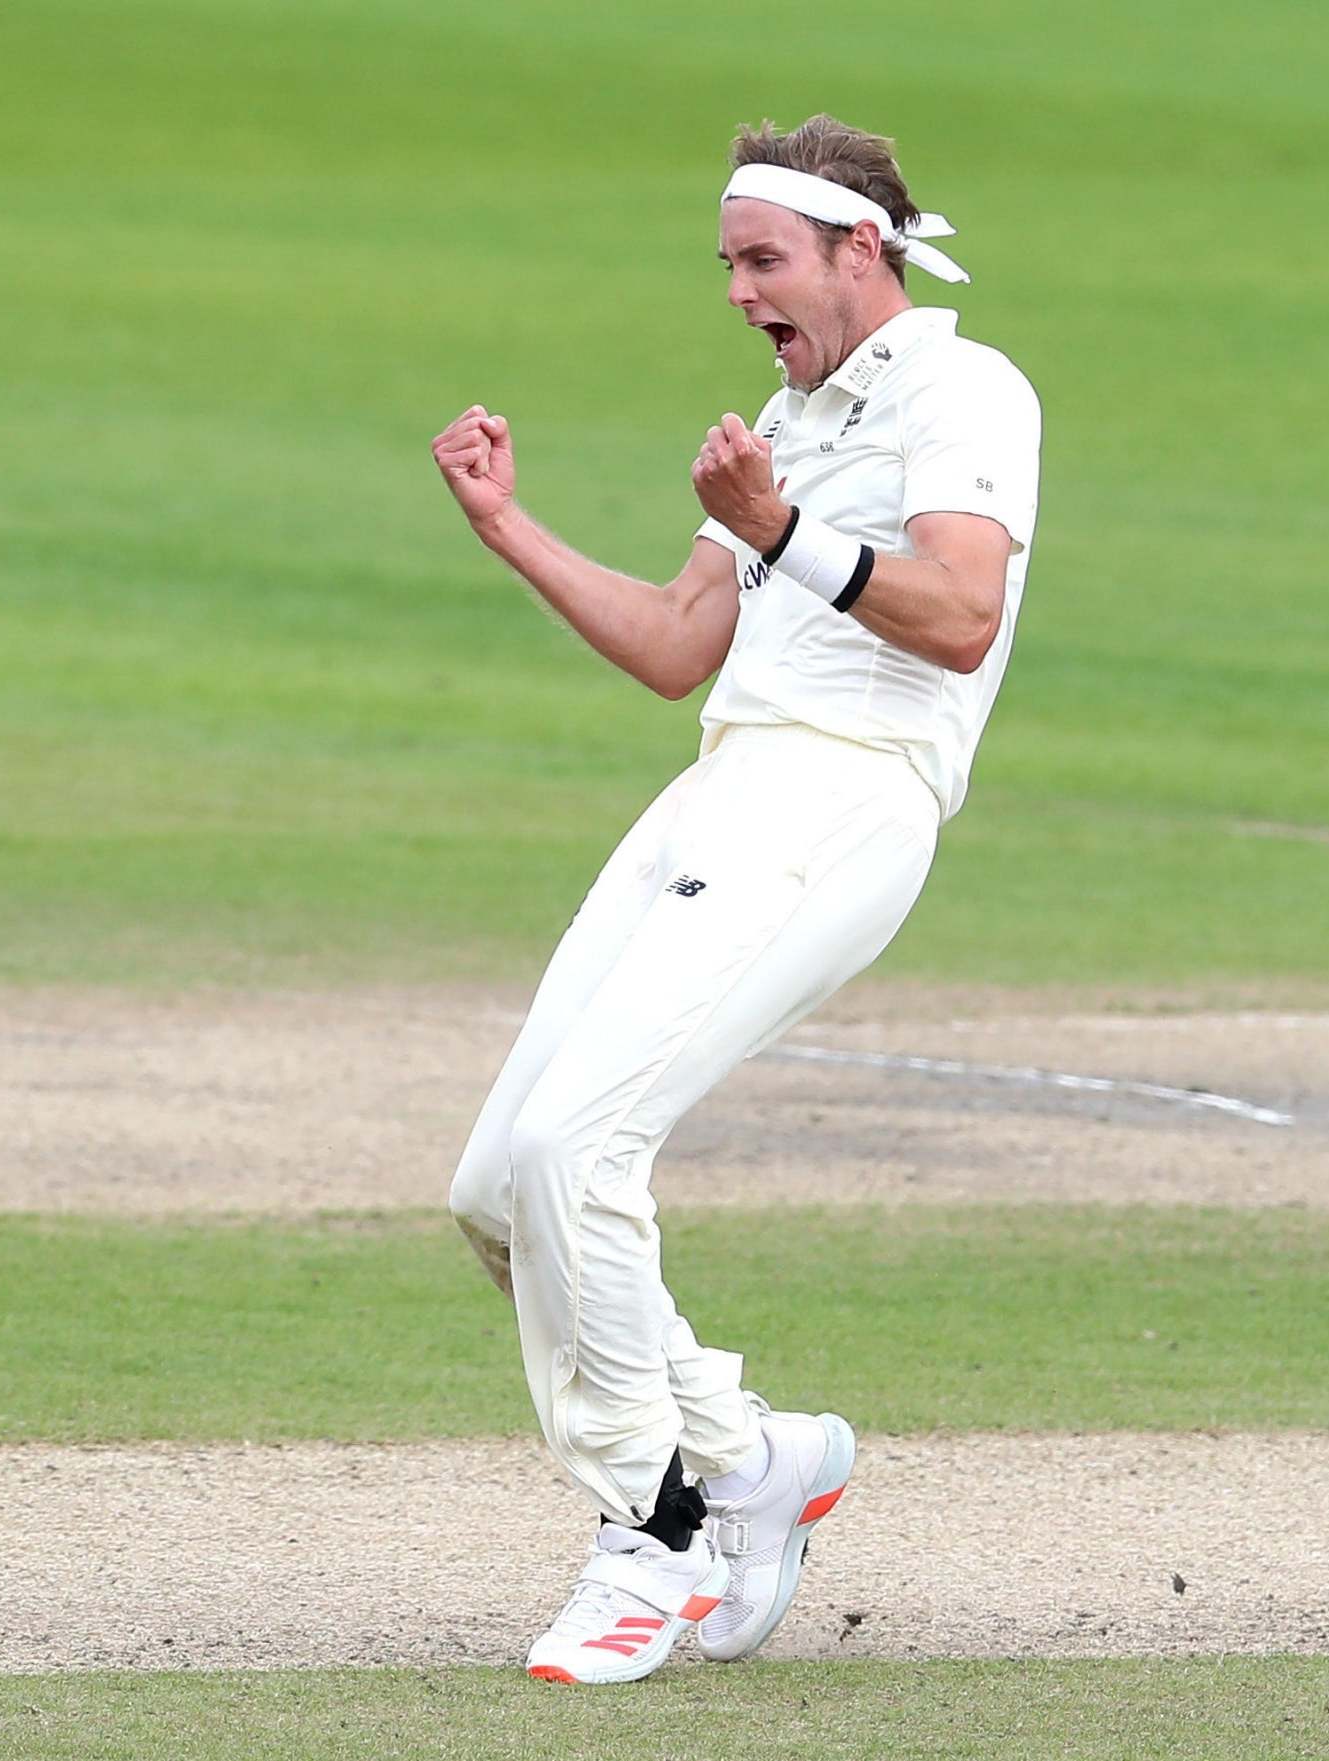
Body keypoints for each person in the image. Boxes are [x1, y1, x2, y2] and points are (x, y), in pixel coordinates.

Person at [429, 113, 1043, 1685]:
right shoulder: (785, 413)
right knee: (501, 1188)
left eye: (759, 259)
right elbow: (672, 645)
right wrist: (512, 531)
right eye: (725, 263)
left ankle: (659, 1526)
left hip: (846, 794)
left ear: (861, 249)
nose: (735, 289)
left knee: (583, 1146)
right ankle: (749, 1454)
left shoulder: (965, 392)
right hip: (723, 787)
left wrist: (786, 529)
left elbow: (962, 616)